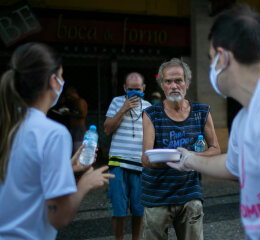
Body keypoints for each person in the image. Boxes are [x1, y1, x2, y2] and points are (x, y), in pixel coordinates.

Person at [167, 4, 260, 240]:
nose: (210, 68)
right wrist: (188, 160)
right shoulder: (246, 116)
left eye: (211, 60)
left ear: (224, 57)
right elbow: (233, 165)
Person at [0, 42, 114, 240]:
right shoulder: (53, 133)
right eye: (61, 76)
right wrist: (85, 184)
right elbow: (58, 218)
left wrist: (67, 167)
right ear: (53, 81)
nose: (62, 82)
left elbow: (24, 181)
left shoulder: (9, 125)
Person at [141, 58, 221, 240]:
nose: (174, 86)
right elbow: (145, 158)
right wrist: (172, 160)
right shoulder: (151, 114)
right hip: (157, 196)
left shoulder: (201, 112)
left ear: (187, 83)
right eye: (168, 81)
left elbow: (215, 149)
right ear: (162, 85)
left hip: (190, 194)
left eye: (178, 80)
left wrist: (190, 158)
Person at [104, 72, 151, 240]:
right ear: (124, 88)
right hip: (118, 163)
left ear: (144, 88)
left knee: (139, 210)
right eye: (130, 90)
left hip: (140, 165)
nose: (134, 93)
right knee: (118, 208)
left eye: (137, 89)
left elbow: (151, 137)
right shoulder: (117, 102)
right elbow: (107, 129)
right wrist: (123, 108)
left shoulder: (148, 107)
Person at [64, 86, 88, 154]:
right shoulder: (74, 102)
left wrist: (69, 113)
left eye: (69, 95)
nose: (68, 97)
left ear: (73, 93)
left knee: (78, 149)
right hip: (74, 128)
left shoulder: (80, 101)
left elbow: (83, 114)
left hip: (79, 129)